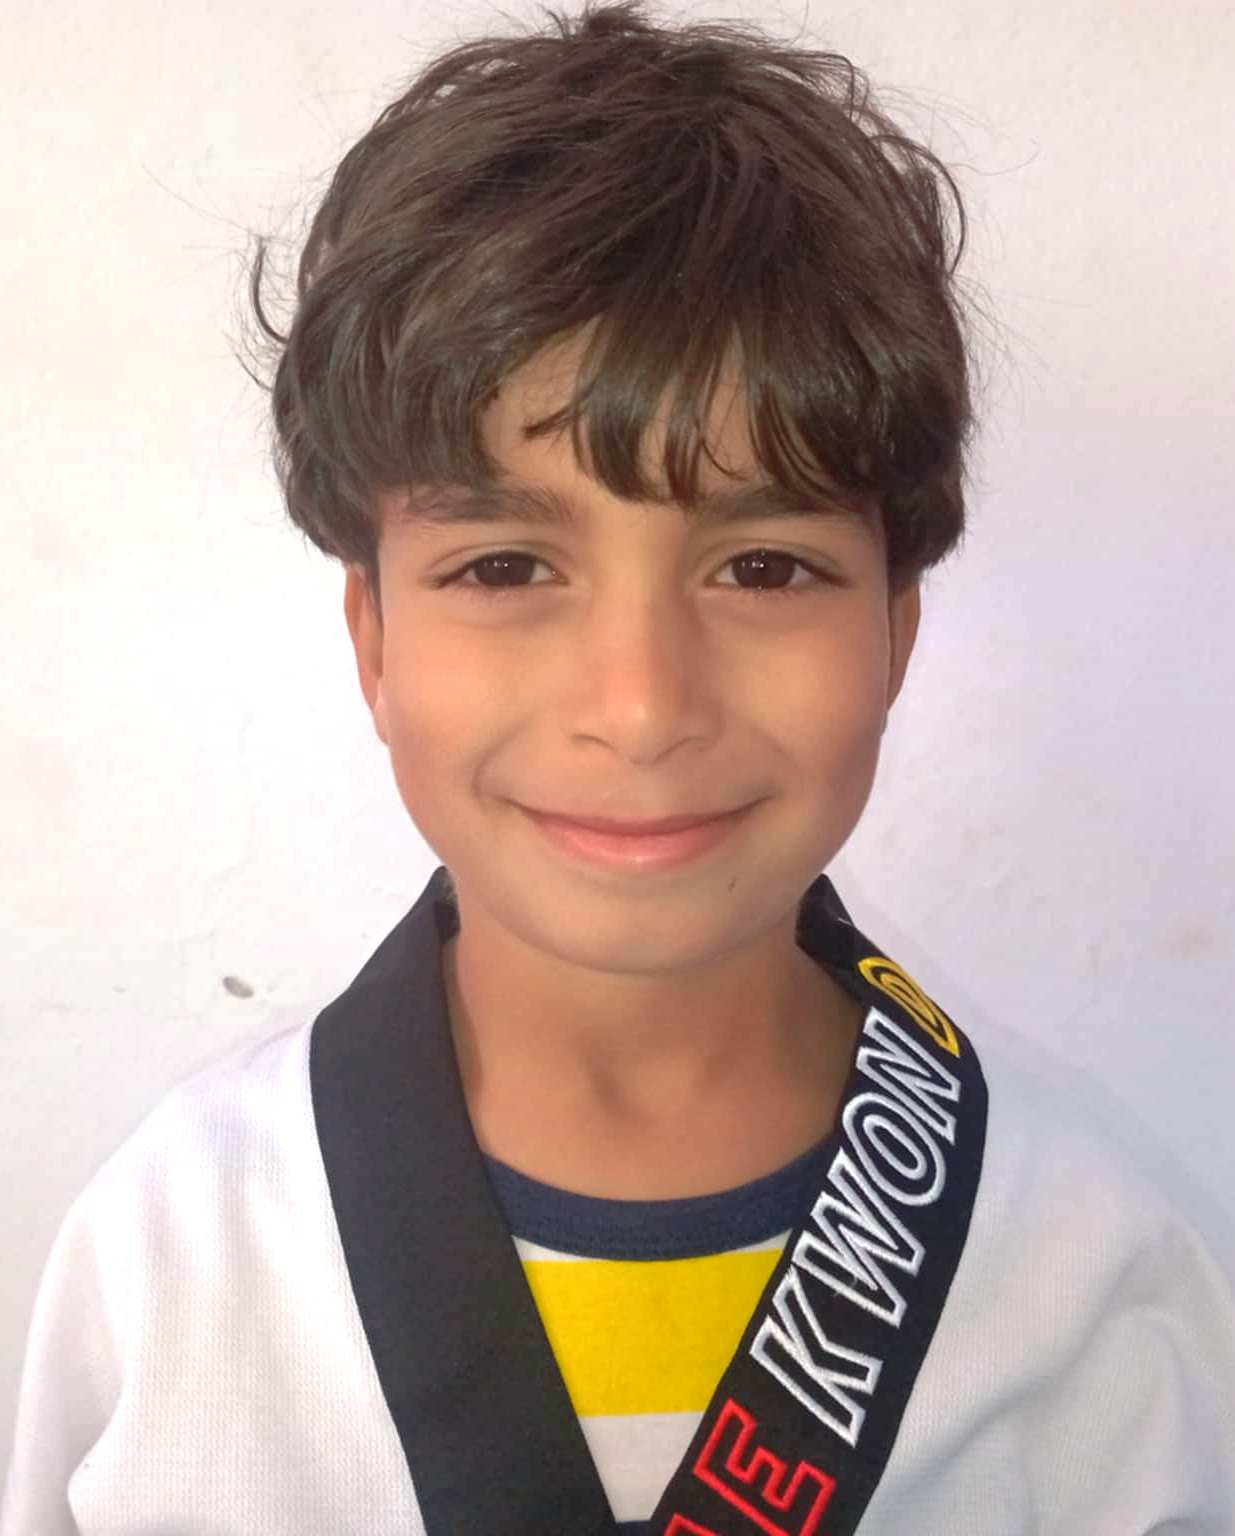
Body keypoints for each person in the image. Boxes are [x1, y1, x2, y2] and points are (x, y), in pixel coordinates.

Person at [4, 2, 1233, 1532]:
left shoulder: (1094, 1272)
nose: (643, 707)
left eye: (767, 568)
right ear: (373, 638)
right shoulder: (172, 1255)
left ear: (896, 634)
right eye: (506, 566)